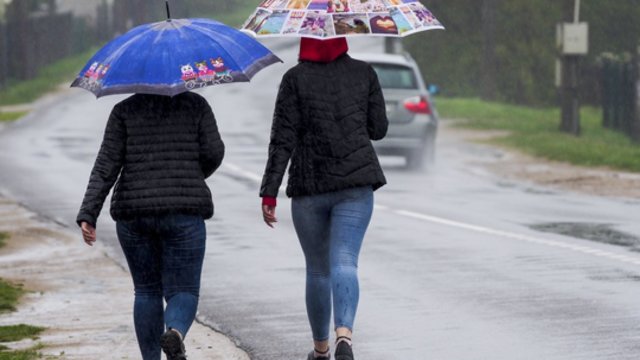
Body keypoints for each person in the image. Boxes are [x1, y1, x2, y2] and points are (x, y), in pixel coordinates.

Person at [260, 37, 388, 360]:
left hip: (309, 186)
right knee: (345, 260)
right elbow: (379, 129)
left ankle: (320, 351)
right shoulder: (365, 73)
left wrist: (269, 191)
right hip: (356, 184)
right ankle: (344, 336)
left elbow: (282, 139)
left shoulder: (294, 80)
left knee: (318, 270)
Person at [77, 92, 224, 360]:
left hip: (134, 213)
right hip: (184, 210)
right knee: (184, 290)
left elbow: (106, 164)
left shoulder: (124, 110)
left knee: (146, 290)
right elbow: (214, 152)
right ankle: (176, 333)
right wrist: (190, 174)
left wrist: (89, 212)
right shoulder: (196, 105)